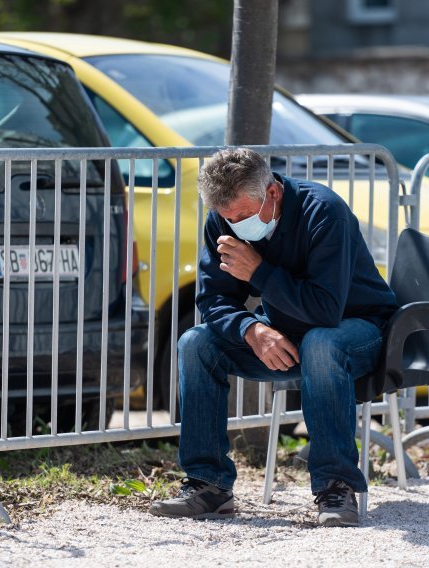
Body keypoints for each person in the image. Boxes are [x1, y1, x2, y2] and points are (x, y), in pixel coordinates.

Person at [149, 148, 398, 527]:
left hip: (358, 328)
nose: (235, 225)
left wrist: (259, 273)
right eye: (228, 218)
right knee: (195, 343)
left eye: (244, 216)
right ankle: (208, 484)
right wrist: (251, 330)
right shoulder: (222, 220)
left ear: (273, 193)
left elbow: (326, 310)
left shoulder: (324, 211)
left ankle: (337, 486)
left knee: (321, 342)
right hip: (283, 331)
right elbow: (213, 299)